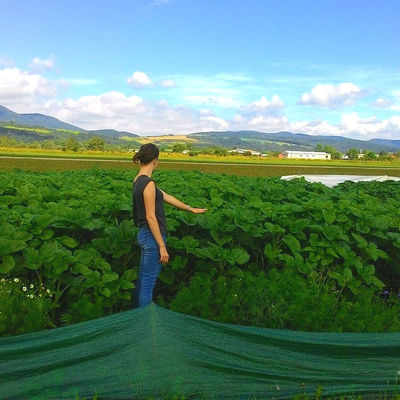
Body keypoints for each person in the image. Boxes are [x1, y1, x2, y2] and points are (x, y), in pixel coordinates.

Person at [131, 143, 207, 308]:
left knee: (143, 279)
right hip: (152, 236)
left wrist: (189, 208)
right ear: (155, 160)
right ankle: (145, 321)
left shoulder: (138, 180)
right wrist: (162, 246)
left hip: (145, 235)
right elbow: (151, 217)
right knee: (148, 283)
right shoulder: (148, 184)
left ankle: (136, 317)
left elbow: (167, 196)